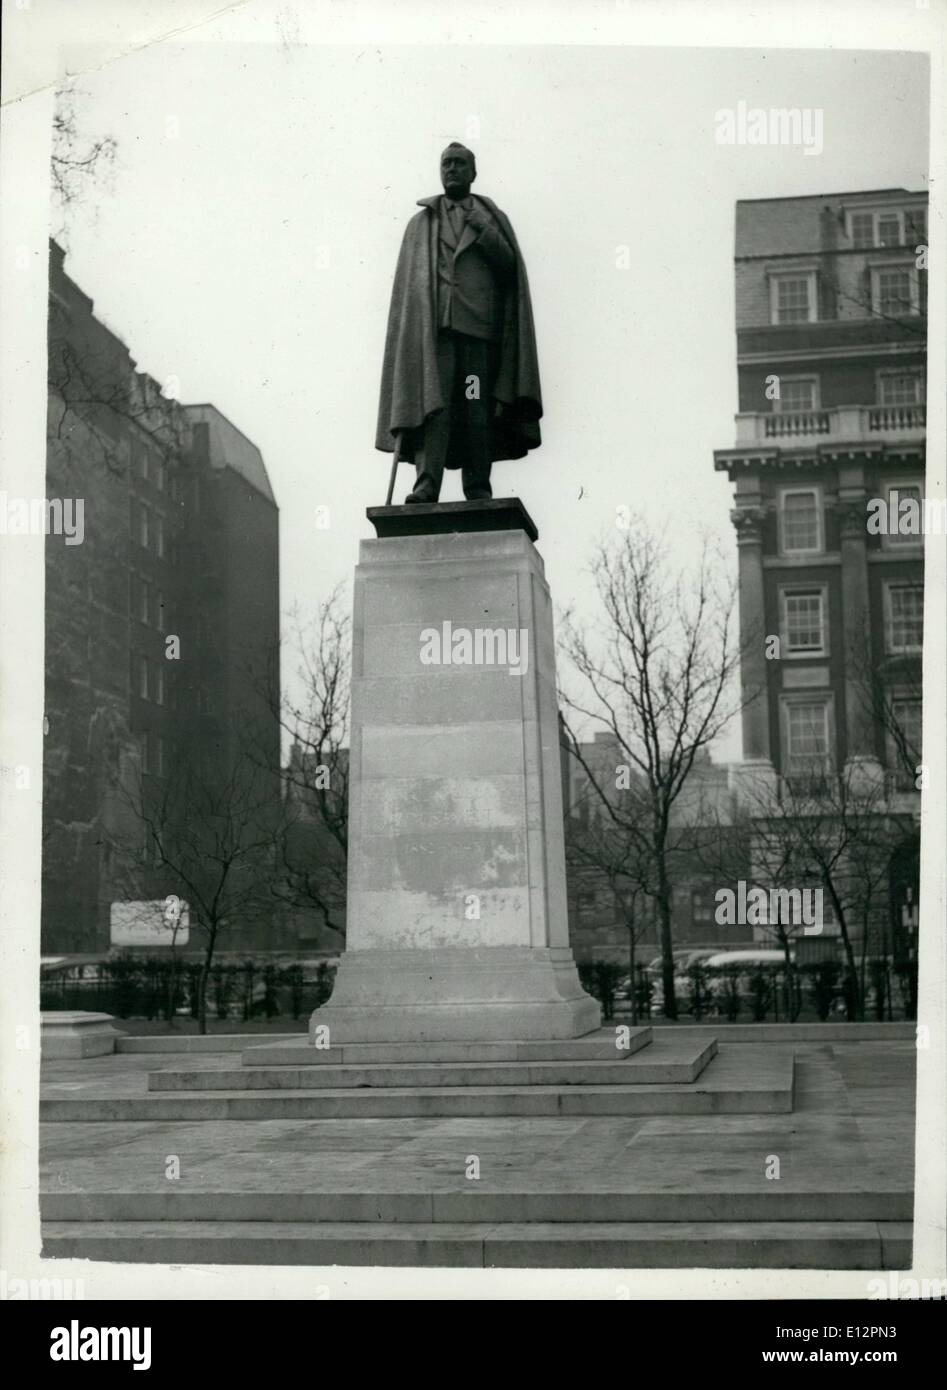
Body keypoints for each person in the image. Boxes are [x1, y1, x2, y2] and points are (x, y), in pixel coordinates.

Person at [376, 142, 543, 503]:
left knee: (474, 406)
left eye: (459, 164)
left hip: (477, 337)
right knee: (435, 407)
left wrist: (482, 228)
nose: (451, 169)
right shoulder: (422, 224)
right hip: (436, 337)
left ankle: (477, 485)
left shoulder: (490, 216)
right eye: (446, 164)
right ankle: (426, 484)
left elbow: (509, 268)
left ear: (473, 172)